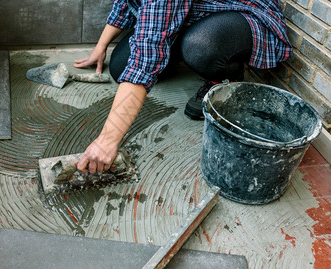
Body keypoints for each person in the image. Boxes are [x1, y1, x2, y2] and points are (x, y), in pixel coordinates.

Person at [74, 0, 292, 175]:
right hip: (192, 13)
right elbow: (125, 4)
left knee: (199, 47)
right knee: (120, 66)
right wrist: (100, 47)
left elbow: (145, 62)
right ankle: (182, 42)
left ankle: (227, 76)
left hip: (239, 12)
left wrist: (107, 141)